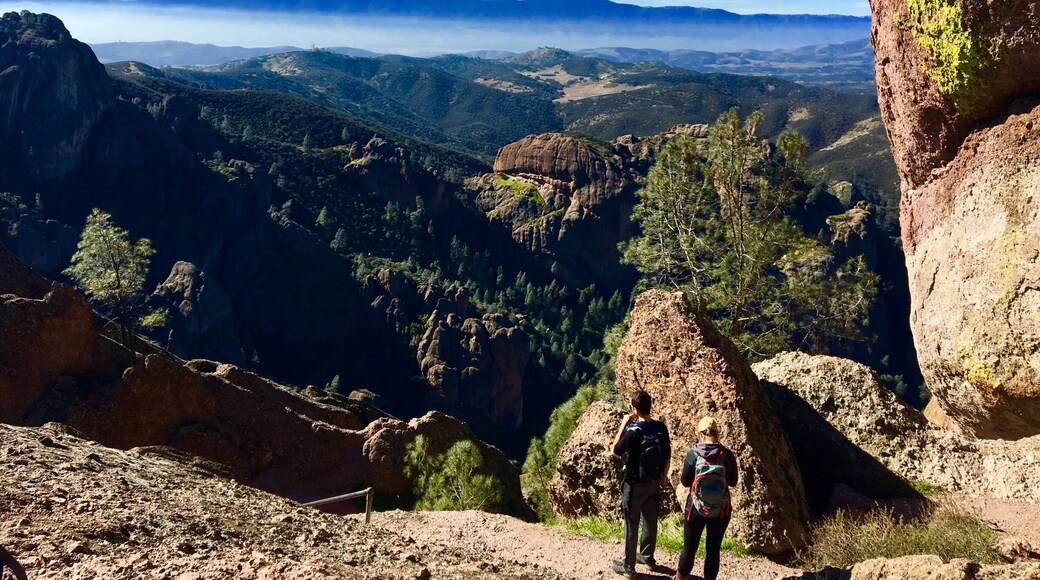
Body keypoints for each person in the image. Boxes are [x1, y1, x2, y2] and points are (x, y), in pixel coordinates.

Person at [610, 389, 671, 578]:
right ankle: (647, 557)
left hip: (634, 483)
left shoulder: (634, 432)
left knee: (631, 523)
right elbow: (667, 454)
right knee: (650, 522)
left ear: (635, 409)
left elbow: (615, 450)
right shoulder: (661, 427)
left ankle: (628, 566)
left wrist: (623, 425)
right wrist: (663, 476)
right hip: (654, 481)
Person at [675, 416, 738, 580]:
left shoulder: (693, 454)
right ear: (717, 432)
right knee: (713, 549)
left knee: (689, 547)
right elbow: (733, 482)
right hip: (721, 510)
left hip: (695, 507)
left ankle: (681, 578)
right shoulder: (726, 454)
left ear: (700, 433)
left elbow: (685, 481)